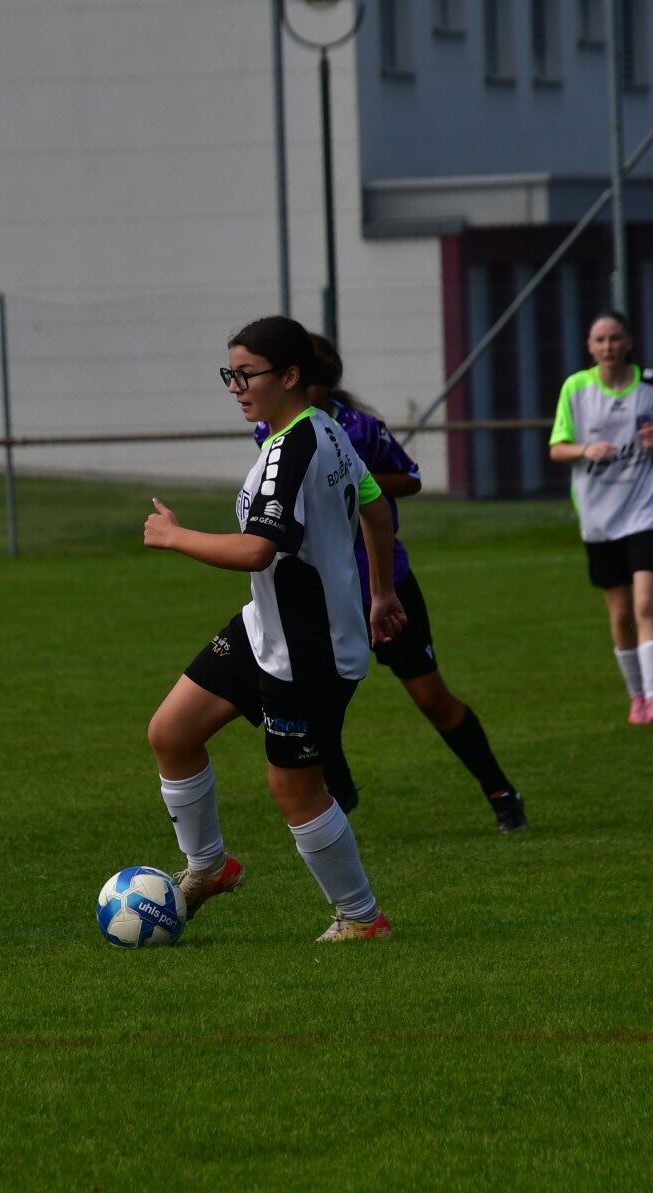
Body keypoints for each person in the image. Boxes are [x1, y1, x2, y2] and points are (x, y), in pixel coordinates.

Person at [143, 315, 406, 942]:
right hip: (266, 627)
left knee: (294, 790)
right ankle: (208, 867)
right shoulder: (319, 428)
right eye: (230, 374)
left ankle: (362, 919)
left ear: (289, 376)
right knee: (171, 733)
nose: (235, 387)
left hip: (310, 650)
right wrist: (382, 592)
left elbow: (259, 550)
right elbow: (374, 506)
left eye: (246, 374)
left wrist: (175, 536)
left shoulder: (294, 449)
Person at [252, 334, 528, 833]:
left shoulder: (356, 429)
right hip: (320, 596)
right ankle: (338, 795)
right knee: (313, 702)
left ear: (313, 384)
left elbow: (409, 478)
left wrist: (352, 480)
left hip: (384, 584)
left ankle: (502, 792)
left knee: (431, 698)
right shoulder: (269, 432)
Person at [547, 309, 653, 725]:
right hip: (599, 517)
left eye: (615, 338)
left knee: (645, 603)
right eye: (600, 340)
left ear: (629, 342)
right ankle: (636, 697)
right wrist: (585, 449)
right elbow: (557, 448)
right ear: (590, 347)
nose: (608, 346)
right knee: (621, 613)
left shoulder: (651, 385)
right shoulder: (576, 388)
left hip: (644, 510)